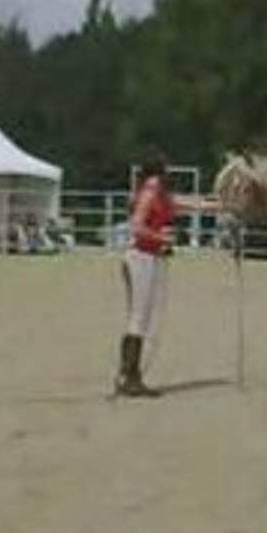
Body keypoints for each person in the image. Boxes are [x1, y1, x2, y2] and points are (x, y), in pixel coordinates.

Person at [115, 150, 220, 398]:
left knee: (141, 316)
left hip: (149, 256)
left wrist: (224, 205)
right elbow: (137, 225)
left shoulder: (161, 195)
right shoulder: (151, 193)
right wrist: (161, 237)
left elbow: (194, 204)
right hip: (140, 256)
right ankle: (129, 376)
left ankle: (129, 374)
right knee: (139, 317)